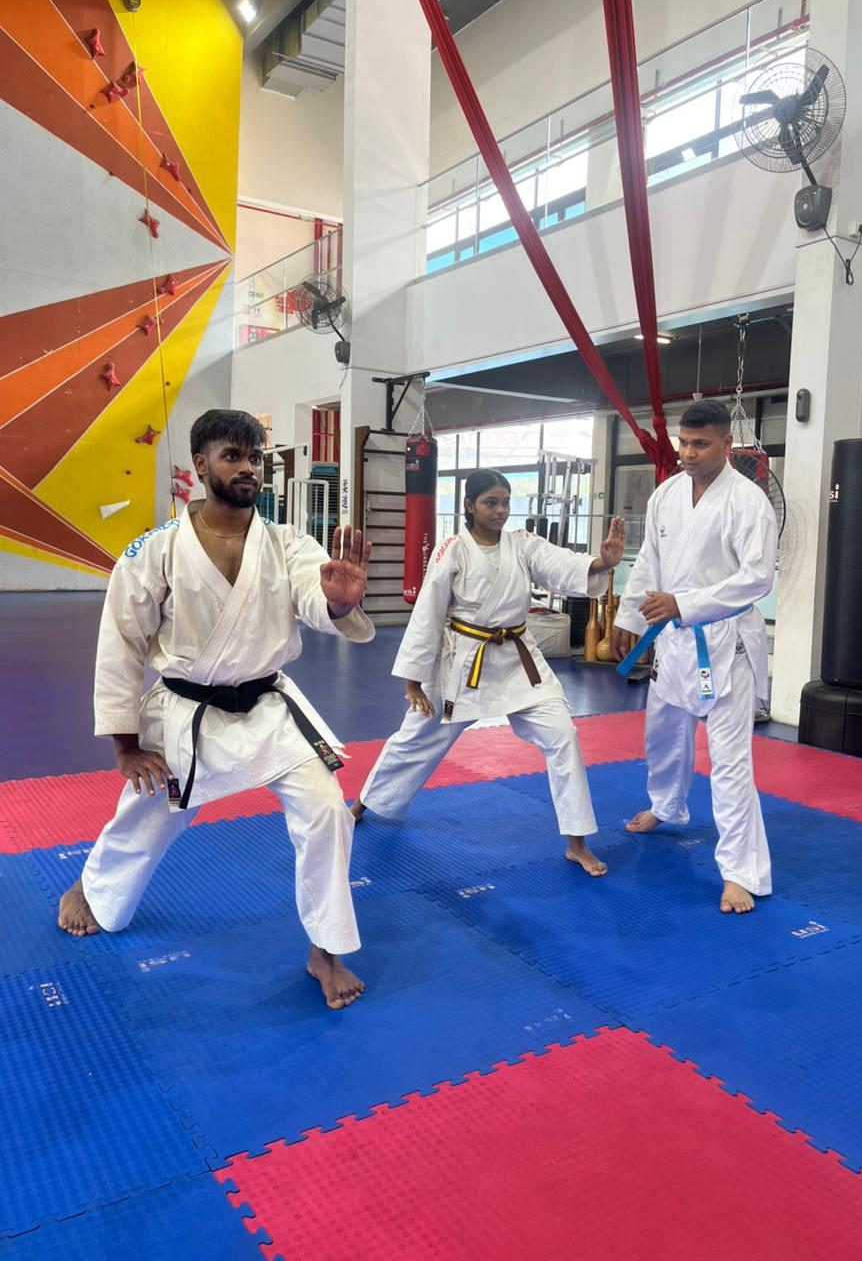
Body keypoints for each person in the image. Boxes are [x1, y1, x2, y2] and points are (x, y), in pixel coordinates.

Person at [57, 409, 374, 1010]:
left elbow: (316, 595)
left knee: (327, 811)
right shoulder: (154, 550)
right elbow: (121, 643)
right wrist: (126, 744)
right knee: (148, 816)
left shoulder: (287, 543)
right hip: (187, 712)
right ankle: (94, 891)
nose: (248, 467)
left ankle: (326, 949)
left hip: (268, 708)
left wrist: (336, 603)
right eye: (233, 456)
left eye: (256, 457)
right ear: (201, 466)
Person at [352, 468, 626, 877]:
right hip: (464, 662)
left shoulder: (522, 544)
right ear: (469, 505)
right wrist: (413, 681)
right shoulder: (453, 550)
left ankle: (577, 842)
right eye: (490, 503)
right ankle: (363, 803)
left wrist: (603, 561)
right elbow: (428, 613)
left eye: (505, 502)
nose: (500, 511)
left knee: (563, 736)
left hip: (518, 661)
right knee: (415, 737)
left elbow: (560, 564)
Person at [612, 400, 777, 914]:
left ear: (727, 445)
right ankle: (666, 805)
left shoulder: (749, 502)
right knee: (663, 734)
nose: (687, 452)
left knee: (730, 761)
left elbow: (757, 579)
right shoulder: (666, 495)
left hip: (726, 645)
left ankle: (741, 872)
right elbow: (649, 562)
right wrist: (628, 618)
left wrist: (685, 604)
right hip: (673, 639)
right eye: (683, 443)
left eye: (700, 444)